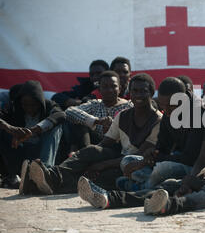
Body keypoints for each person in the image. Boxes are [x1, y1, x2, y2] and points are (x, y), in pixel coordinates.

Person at [77, 75, 205, 217]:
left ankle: (168, 206)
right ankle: (110, 198)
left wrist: (204, 182)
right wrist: (191, 179)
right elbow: (203, 159)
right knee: (171, 184)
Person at [20, 74, 162, 195]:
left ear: (151, 92)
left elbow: (139, 157)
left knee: (100, 178)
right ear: (129, 92)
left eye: (143, 91)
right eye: (134, 91)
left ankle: (40, 185)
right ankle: (51, 176)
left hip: (137, 166)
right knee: (92, 151)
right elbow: (104, 144)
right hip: (119, 157)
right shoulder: (124, 115)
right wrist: (92, 161)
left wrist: (102, 165)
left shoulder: (157, 121)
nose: (138, 95)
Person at [115, 77, 204, 191]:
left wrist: (152, 160)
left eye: (171, 106)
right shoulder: (168, 113)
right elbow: (162, 147)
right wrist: (150, 156)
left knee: (163, 169)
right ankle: (159, 185)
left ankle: (143, 188)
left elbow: (190, 158)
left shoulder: (198, 113)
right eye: (162, 106)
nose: (166, 111)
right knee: (128, 161)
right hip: (175, 161)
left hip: (196, 167)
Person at [0, 80, 65, 188]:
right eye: (25, 105)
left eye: (33, 105)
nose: (29, 108)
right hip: (20, 152)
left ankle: (45, 171)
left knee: (56, 127)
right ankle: (13, 174)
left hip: (42, 152)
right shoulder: (14, 107)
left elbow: (61, 115)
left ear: (40, 102)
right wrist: (10, 129)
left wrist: (35, 130)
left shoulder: (49, 105)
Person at [65, 71, 132, 151]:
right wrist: (96, 121)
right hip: (95, 145)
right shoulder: (95, 104)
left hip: (119, 148)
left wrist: (113, 126)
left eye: (113, 86)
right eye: (105, 86)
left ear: (119, 89)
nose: (109, 90)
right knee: (79, 123)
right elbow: (69, 111)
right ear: (99, 89)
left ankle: (84, 155)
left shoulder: (128, 106)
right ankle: (86, 153)